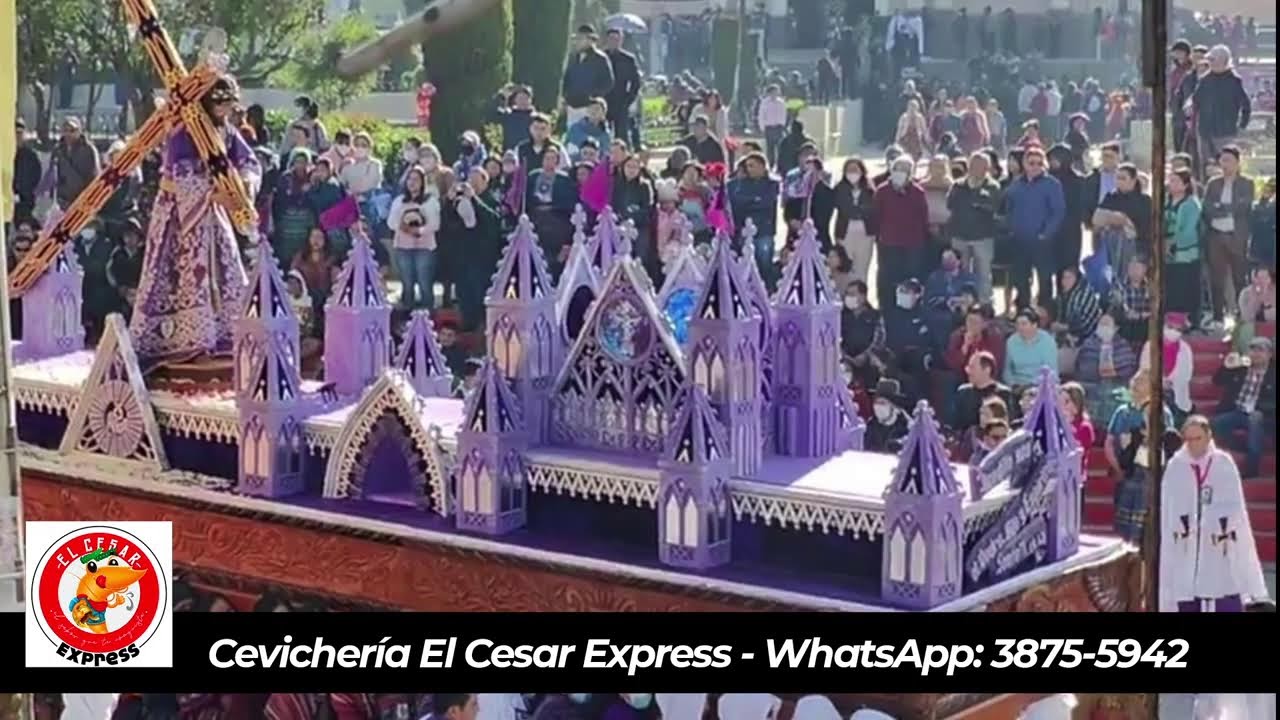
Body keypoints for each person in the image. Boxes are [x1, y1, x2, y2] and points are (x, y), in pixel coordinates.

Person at [129, 76, 261, 369]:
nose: (226, 110)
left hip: (213, 211)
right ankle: (178, 341)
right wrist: (216, 191)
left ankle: (221, 335)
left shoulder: (225, 130)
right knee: (182, 269)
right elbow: (181, 174)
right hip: (179, 213)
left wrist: (244, 185)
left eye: (229, 104)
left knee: (225, 267)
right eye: (221, 103)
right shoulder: (184, 129)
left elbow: (249, 162)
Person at [1160, 415, 1268, 612]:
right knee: (1186, 596)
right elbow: (1168, 510)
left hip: (1218, 546)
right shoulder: (1175, 466)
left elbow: (1237, 508)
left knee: (1221, 592)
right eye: (1188, 439)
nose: (1193, 444)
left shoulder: (1223, 464)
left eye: (1198, 438)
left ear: (1209, 437)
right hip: (1185, 547)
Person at [1105, 370, 1171, 544]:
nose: (1135, 383)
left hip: (1148, 475)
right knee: (1123, 527)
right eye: (1135, 379)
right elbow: (1110, 441)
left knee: (1142, 529)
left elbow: (1167, 442)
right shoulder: (1122, 412)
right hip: (1126, 472)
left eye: (1141, 381)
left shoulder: (1162, 412)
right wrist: (1117, 467)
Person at [1004, 146, 1066, 308]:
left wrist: (1046, 233)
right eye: (1031, 163)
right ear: (1024, 164)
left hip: (1041, 241)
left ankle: (1045, 312)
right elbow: (1008, 208)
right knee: (1021, 279)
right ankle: (1023, 310)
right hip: (1020, 240)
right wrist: (1011, 227)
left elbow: (1058, 212)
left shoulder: (1052, 184)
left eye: (1039, 163)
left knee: (1045, 279)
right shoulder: (1016, 185)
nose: (1035, 167)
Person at [1202, 146, 1255, 327]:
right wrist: (1224, 209)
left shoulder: (1246, 183)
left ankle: (1242, 315)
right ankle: (1217, 316)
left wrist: (1222, 208)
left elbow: (1243, 207)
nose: (1225, 165)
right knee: (1216, 278)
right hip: (1216, 237)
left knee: (1240, 278)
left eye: (1229, 160)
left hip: (1236, 237)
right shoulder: (1213, 183)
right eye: (1222, 160)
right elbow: (1207, 208)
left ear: (1237, 163)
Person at [1211, 337, 1276, 479]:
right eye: (1253, 349)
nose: (1256, 353)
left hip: (1262, 415)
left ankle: (1252, 467)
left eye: (1261, 350)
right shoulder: (1240, 368)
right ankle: (1241, 445)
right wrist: (1226, 367)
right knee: (1214, 423)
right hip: (1237, 411)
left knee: (1255, 418)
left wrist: (1259, 408)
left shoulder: (1273, 374)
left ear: (1269, 354)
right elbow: (1217, 381)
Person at [873, 156, 930, 311]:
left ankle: (911, 308)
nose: (900, 173)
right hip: (888, 243)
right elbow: (876, 215)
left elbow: (923, 218)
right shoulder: (882, 191)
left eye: (904, 170)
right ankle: (886, 308)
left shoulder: (918, 192)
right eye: (897, 169)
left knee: (910, 279)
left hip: (912, 243)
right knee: (887, 278)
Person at [946, 152, 999, 302]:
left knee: (983, 273)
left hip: (983, 237)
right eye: (974, 165)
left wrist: (976, 198)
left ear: (987, 168)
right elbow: (950, 204)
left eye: (982, 166)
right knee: (959, 272)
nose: (977, 169)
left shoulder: (992, 186)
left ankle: (984, 304)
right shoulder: (958, 185)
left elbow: (992, 205)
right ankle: (962, 303)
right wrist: (974, 199)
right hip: (960, 235)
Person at [387, 166, 441, 311]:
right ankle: (407, 313)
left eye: (416, 179)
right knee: (407, 283)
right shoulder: (399, 201)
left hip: (425, 248)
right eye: (410, 179)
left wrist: (418, 230)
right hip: (403, 247)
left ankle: (428, 315)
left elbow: (435, 224)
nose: (412, 182)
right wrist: (402, 227)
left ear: (423, 182)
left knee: (424, 283)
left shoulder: (430, 201)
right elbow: (391, 222)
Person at [1193, 45, 1252, 168]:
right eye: (1210, 60)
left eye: (1213, 60)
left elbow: (1246, 106)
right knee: (1206, 167)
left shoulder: (1234, 81)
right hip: (1205, 132)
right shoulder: (1204, 80)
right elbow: (1195, 101)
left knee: (1227, 165)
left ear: (1223, 60)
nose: (1210, 63)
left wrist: (1242, 125)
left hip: (1226, 132)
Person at [727, 152, 780, 286]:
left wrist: (751, 201)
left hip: (764, 231)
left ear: (762, 166)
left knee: (764, 265)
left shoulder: (772, 184)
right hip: (745, 230)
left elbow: (766, 203)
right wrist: (754, 200)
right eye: (747, 166)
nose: (749, 169)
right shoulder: (741, 184)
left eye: (752, 166)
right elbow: (737, 201)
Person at [1075, 312, 1137, 425]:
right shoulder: (1089, 344)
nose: (1103, 327)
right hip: (1091, 387)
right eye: (1101, 324)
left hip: (1116, 390)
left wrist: (1107, 349)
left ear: (1116, 328)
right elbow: (1082, 368)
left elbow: (1124, 370)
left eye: (1107, 324)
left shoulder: (1123, 346)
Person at [525, 146, 577, 281]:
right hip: (536, 224)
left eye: (553, 159)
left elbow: (569, 207)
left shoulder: (564, 180)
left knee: (555, 265)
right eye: (547, 158)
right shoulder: (533, 176)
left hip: (556, 226)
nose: (549, 162)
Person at [1093, 164, 1152, 279]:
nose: (1119, 182)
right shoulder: (1111, 197)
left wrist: (1126, 222)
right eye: (1117, 178)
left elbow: (1145, 227)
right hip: (1111, 248)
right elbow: (1097, 218)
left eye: (1123, 178)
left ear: (1133, 180)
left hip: (1135, 249)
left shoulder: (1144, 201)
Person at [881, 278, 933, 404]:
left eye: (906, 291)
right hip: (893, 357)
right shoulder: (891, 314)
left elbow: (929, 341)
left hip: (916, 361)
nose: (902, 294)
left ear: (917, 295)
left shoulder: (925, 315)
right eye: (901, 291)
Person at [1140, 312, 1195, 422]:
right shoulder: (1150, 346)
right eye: (1170, 327)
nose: (1173, 332)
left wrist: (1169, 383)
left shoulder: (1186, 349)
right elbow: (1144, 370)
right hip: (1152, 400)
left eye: (1178, 329)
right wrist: (1159, 381)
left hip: (1178, 402)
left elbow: (1186, 375)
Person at [1046, 144, 1086, 284]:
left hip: (1070, 231)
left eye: (1055, 159)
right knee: (1051, 268)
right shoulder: (1046, 180)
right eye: (1050, 159)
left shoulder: (1077, 180)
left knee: (1069, 267)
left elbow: (1081, 206)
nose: (1052, 162)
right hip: (1051, 230)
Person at [950, 350, 1014, 434]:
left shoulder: (1004, 394)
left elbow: (1007, 425)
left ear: (987, 370)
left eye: (972, 367)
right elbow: (956, 425)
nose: (968, 371)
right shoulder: (963, 392)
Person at [833, 158, 876, 284]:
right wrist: (858, 210)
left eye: (855, 170)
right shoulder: (840, 188)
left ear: (862, 171)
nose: (852, 173)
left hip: (865, 234)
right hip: (845, 233)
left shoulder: (869, 189)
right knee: (845, 267)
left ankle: (861, 296)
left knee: (861, 268)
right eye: (849, 170)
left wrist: (858, 210)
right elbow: (844, 208)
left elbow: (870, 208)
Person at [782, 148, 835, 250]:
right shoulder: (796, 189)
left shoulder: (827, 193)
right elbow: (788, 209)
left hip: (818, 239)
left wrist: (806, 225)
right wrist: (792, 220)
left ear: (819, 172)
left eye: (812, 171)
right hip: (796, 238)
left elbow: (824, 217)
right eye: (806, 171)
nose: (809, 175)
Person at [611, 153, 656, 274]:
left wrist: (632, 215)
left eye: (634, 167)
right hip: (620, 226)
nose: (631, 170)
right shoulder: (616, 185)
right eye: (628, 166)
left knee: (640, 257)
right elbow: (613, 205)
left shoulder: (645, 186)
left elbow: (648, 208)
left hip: (640, 226)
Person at [923, 246, 976, 347]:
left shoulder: (967, 277)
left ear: (958, 261)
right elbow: (929, 299)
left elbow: (971, 296)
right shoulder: (934, 277)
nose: (947, 261)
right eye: (944, 259)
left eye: (950, 258)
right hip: (939, 313)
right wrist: (947, 302)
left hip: (962, 313)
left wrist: (961, 301)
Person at [562, 25, 614, 127]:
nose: (577, 41)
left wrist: (593, 97)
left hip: (590, 107)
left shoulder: (600, 59)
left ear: (591, 40)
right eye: (577, 38)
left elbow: (608, 82)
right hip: (572, 105)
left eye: (581, 38)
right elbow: (567, 78)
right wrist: (565, 96)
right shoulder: (573, 57)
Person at [45, 116, 101, 210]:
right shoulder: (57, 150)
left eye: (72, 130)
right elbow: (52, 174)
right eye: (65, 130)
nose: (68, 134)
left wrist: (90, 198)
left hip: (82, 201)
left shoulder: (89, 149)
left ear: (79, 131)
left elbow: (95, 175)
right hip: (63, 201)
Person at [841, 280, 886, 389]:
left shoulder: (874, 316)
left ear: (863, 296)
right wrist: (844, 355)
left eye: (852, 294)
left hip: (868, 359)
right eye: (847, 294)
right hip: (846, 360)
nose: (848, 297)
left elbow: (879, 340)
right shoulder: (842, 316)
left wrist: (865, 355)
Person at [602, 28, 641, 141]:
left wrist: (629, 99)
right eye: (611, 39)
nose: (614, 42)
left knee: (622, 135)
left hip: (621, 101)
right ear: (607, 40)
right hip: (603, 102)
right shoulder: (601, 57)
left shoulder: (628, 59)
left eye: (617, 39)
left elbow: (635, 82)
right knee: (603, 132)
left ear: (621, 41)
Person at [1004, 308, 1058, 387]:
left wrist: (1032, 384)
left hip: (1042, 385)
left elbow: (1051, 372)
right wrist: (1013, 384)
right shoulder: (1011, 341)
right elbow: (1007, 370)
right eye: (1017, 324)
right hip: (1018, 385)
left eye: (1024, 324)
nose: (1020, 328)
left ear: (1034, 325)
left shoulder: (1048, 341)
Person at [292, 227, 336, 315]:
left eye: (319, 237)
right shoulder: (301, 257)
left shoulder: (331, 258)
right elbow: (293, 275)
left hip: (325, 299)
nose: (316, 240)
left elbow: (336, 280)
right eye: (313, 236)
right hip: (304, 299)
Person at [515, 114, 570, 181]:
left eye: (543, 129)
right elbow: (515, 170)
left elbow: (565, 169)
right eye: (536, 128)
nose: (539, 132)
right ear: (530, 128)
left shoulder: (558, 148)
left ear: (549, 130)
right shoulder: (521, 148)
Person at [865, 379, 911, 453]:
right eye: (876, 402)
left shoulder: (908, 429)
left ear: (896, 408)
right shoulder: (870, 426)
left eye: (883, 403)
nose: (877, 407)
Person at [1083, 141, 1121, 224]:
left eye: (1110, 156)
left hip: (1121, 221)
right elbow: (1086, 202)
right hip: (1099, 221)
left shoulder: (1124, 176)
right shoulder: (1092, 178)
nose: (1106, 159)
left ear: (1118, 157)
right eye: (1104, 156)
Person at [12, 118, 42, 222]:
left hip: (25, 200)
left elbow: (36, 175)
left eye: (20, 133)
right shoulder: (5, 154)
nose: (17, 136)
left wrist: (25, 191)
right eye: (15, 133)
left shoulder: (30, 155)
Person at [1169, 40, 1195, 152]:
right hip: (1176, 110)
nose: (1178, 55)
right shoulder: (1175, 71)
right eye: (1176, 52)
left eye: (1180, 52)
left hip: (1187, 108)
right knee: (1177, 140)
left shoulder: (1191, 70)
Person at [757, 85, 788, 169]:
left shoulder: (781, 102)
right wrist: (762, 127)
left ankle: (780, 165)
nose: (775, 94)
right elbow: (761, 115)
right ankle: (770, 164)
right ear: (769, 93)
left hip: (778, 127)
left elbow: (784, 114)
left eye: (777, 92)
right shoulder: (765, 102)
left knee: (780, 147)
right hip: (769, 128)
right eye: (773, 92)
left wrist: (782, 125)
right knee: (770, 148)